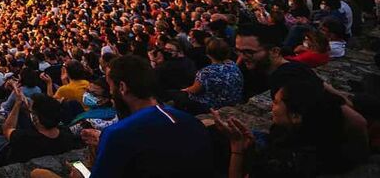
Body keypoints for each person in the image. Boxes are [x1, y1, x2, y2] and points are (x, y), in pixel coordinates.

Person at [86, 55, 213, 177]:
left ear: (122, 87)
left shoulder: (116, 134)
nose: (110, 92)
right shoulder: (190, 121)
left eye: (110, 86)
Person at [214, 79, 366, 177]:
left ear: (295, 116)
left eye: (275, 102)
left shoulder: (284, 163)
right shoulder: (331, 143)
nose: (271, 106)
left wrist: (237, 147)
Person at [0, 86, 77, 166]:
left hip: (8, 157)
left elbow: (7, 129)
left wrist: (17, 104)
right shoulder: (66, 134)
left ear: (36, 118)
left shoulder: (25, 138)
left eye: (31, 111)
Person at [179, 38, 243, 113]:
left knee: (179, 96)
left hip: (213, 106)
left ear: (208, 54)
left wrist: (186, 89)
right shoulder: (233, 64)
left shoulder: (206, 72)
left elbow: (195, 90)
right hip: (233, 101)